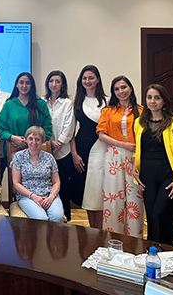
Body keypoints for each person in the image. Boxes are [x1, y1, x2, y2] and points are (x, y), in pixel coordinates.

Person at [133, 84, 173, 246]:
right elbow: (138, 149)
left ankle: (166, 249)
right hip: (147, 176)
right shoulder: (139, 122)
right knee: (152, 217)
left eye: (157, 98)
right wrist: (135, 169)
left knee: (161, 214)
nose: (152, 101)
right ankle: (153, 251)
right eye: (149, 97)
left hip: (168, 175)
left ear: (164, 101)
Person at [97, 76, 144, 238]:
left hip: (135, 156)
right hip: (114, 155)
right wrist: (122, 144)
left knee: (135, 200)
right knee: (113, 199)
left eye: (123, 87)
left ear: (130, 88)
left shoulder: (141, 111)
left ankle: (135, 240)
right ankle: (113, 238)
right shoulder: (108, 111)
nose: (121, 91)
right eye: (117, 89)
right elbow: (101, 135)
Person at [71, 65, 108, 229]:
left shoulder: (107, 101)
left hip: (102, 150)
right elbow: (71, 132)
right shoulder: (77, 102)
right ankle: (93, 229)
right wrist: (74, 154)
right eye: (84, 78)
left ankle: (101, 230)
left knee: (99, 190)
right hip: (82, 151)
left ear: (98, 79)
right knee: (87, 192)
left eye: (91, 78)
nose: (88, 81)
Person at [10, 126, 64, 222]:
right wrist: (33, 196)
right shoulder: (19, 157)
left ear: (42, 141)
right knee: (41, 219)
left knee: (57, 217)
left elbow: (57, 182)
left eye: (37, 139)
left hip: (49, 195)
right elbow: (16, 183)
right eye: (31, 139)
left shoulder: (49, 157)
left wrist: (52, 196)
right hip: (27, 196)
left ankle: (53, 234)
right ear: (26, 140)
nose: (34, 142)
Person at [44, 70, 76, 221]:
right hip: (45, 149)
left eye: (57, 81)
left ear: (62, 85)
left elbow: (69, 125)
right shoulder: (42, 101)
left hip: (63, 151)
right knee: (46, 184)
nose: (54, 84)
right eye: (51, 81)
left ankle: (65, 219)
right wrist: (49, 142)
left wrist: (60, 143)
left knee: (63, 185)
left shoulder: (67, 103)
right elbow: (40, 124)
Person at [0, 72, 53, 157]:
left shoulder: (40, 104)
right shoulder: (9, 104)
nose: (24, 86)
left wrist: (32, 141)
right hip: (13, 150)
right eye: (21, 82)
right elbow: (1, 129)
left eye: (28, 83)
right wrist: (12, 138)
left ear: (32, 86)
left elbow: (47, 129)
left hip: (36, 151)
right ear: (17, 84)